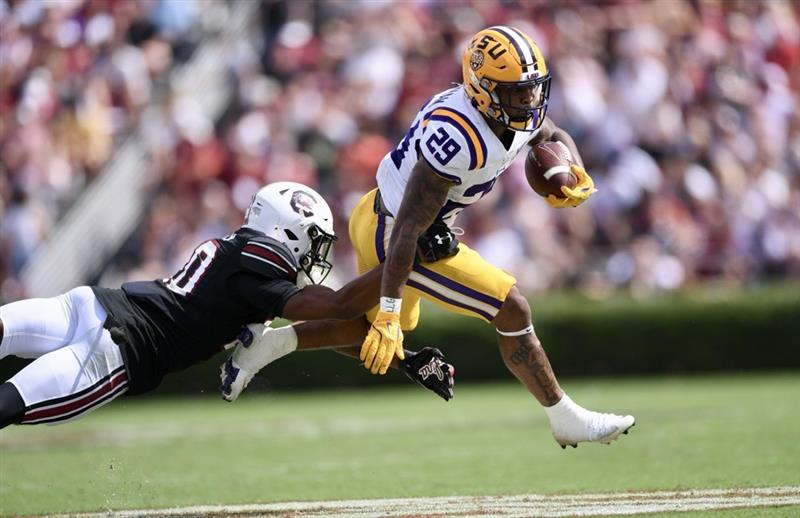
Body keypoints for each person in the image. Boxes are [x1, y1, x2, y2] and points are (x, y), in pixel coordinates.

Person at [223, 27, 634, 449]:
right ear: (483, 90)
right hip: (400, 235)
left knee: (369, 334)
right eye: (516, 93)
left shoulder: (505, 111)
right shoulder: (461, 137)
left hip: (382, 213)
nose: (528, 102)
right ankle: (565, 416)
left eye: (531, 90)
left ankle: (268, 345)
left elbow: (551, 135)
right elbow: (408, 227)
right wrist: (388, 305)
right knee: (511, 308)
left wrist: (575, 169)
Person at [0, 182, 455, 429]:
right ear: (290, 231)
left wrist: (406, 361)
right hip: (117, 352)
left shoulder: (238, 250)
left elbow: (334, 330)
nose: (316, 255)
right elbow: (336, 307)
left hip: (91, 305)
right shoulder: (261, 263)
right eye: (314, 241)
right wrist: (408, 255)